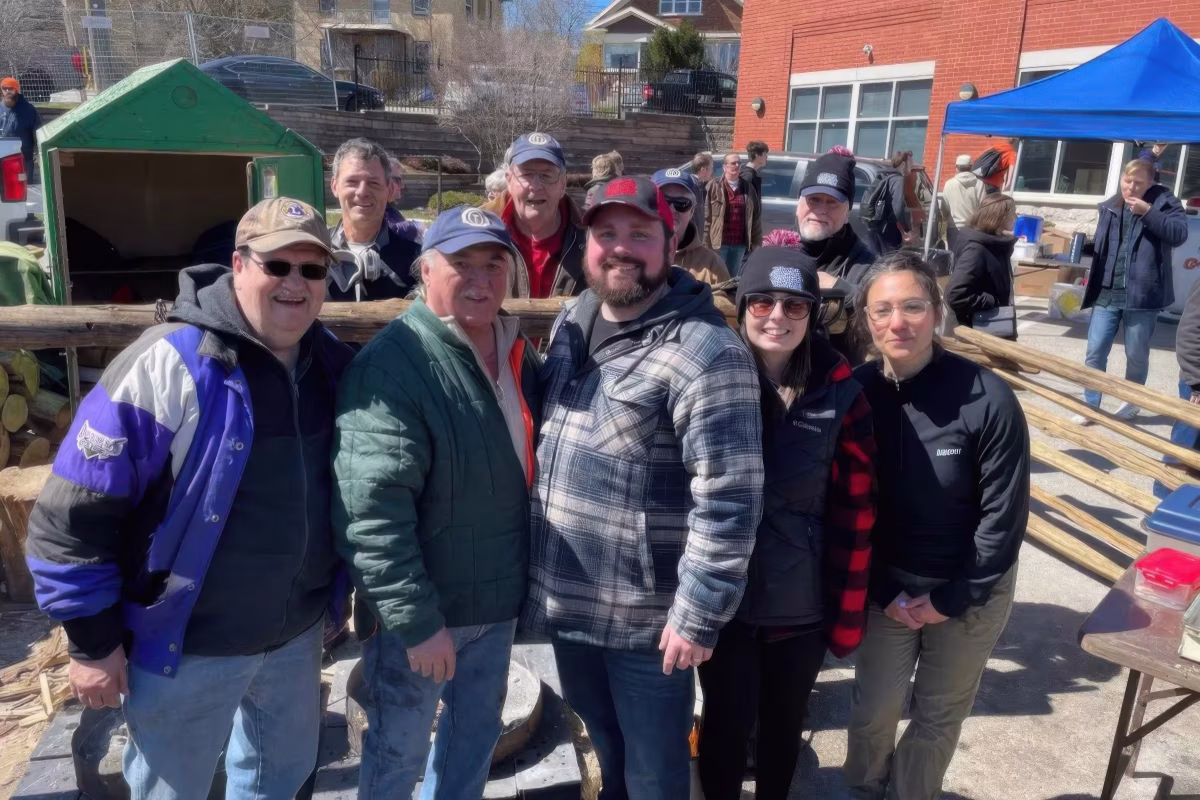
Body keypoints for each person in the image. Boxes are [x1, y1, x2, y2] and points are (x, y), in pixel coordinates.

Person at [25, 198, 354, 798]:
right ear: (237, 264)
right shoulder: (170, 363)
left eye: (312, 270)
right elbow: (69, 518)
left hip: (296, 639)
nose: (295, 284)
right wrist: (93, 644)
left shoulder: (331, 365)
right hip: (187, 648)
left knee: (279, 784)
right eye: (277, 264)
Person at [523, 175, 765, 800]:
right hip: (567, 604)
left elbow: (731, 500)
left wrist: (699, 614)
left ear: (671, 239)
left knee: (655, 774)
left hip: (648, 625)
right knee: (604, 747)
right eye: (607, 233)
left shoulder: (708, 352)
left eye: (640, 233)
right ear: (586, 244)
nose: (621, 248)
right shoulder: (575, 320)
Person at [333, 206, 540, 799]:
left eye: (493, 264)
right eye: (460, 264)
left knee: (470, 746)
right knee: (398, 751)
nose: (479, 280)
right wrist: (418, 622)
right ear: (425, 270)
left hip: (494, 602)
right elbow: (371, 513)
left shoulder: (515, 351)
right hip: (426, 616)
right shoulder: (394, 365)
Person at [844, 250, 1030, 800]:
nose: (898, 322)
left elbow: (1004, 516)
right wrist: (885, 590)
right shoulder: (856, 393)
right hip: (887, 585)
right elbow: (841, 505)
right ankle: (861, 788)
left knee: (937, 715)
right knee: (874, 707)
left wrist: (952, 598)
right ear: (866, 320)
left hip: (969, 587)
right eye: (882, 310)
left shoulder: (986, 397)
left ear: (937, 311)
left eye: (913, 306)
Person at [696, 247, 876, 800]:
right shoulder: (708, 379)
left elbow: (857, 509)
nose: (778, 316)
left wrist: (845, 613)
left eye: (795, 305)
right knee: (724, 725)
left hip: (801, 602)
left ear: (812, 313)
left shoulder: (840, 391)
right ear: (744, 305)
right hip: (723, 596)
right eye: (764, 302)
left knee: (783, 725)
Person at [1074, 158, 1188, 424]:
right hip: (1107, 291)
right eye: (1128, 181)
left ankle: (1132, 401)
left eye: (1139, 183)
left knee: (1136, 354)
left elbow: (1179, 235)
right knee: (1095, 350)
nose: (1131, 188)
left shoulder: (1165, 203)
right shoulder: (1112, 204)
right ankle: (1091, 405)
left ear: (1151, 184)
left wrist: (1149, 212)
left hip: (1143, 294)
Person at [793, 153, 877, 363]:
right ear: (799, 205)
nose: (821, 210)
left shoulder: (866, 264)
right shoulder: (775, 251)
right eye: (814, 200)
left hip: (837, 382)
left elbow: (884, 311)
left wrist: (842, 290)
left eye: (832, 203)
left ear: (847, 213)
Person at [483, 132, 586, 297]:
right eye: (526, 175)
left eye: (546, 175)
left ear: (562, 185)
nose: (536, 186)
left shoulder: (590, 232)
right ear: (509, 180)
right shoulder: (479, 228)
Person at [327, 138, 421, 301]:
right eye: (352, 182)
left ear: (389, 189)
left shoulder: (417, 260)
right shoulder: (313, 254)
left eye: (373, 183)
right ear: (335, 186)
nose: (362, 192)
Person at [944, 193, 1017, 331]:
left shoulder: (992, 243)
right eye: (1013, 213)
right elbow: (956, 293)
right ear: (1000, 218)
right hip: (973, 332)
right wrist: (992, 301)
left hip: (990, 327)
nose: (1015, 218)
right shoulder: (976, 249)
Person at [1156, 279, 1200, 498]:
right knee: (1183, 450)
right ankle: (1159, 508)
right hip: (1197, 384)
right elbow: (1190, 332)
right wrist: (1197, 384)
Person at [653, 167, 729, 286]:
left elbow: (725, 301)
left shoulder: (711, 264)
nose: (672, 209)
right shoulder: (632, 253)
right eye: (663, 202)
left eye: (682, 203)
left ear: (692, 211)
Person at [707, 152, 761, 277]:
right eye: (733, 163)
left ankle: (730, 297)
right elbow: (706, 216)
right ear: (724, 167)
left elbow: (756, 217)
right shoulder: (714, 186)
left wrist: (756, 243)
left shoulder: (748, 188)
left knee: (732, 279)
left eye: (738, 163)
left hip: (739, 244)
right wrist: (705, 244)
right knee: (716, 277)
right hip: (719, 243)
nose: (737, 165)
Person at [863, 150, 914, 256]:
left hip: (876, 225)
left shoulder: (883, 175)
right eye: (910, 163)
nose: (911, 166)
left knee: (877, 260)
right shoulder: (898, 180)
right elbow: (898, 208)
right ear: (904, 164)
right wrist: (906, 228)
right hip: (889, 229)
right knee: (890, 262)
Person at [942, 154, 987, 250]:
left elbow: (944, 208)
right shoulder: (979, 184)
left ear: (957, 167)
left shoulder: (949, 184)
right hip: (973, 229)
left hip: (954, 228)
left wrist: (944, 218)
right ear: (971, 167)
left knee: (954, 257)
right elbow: (984, 207)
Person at [0, 77, 40, 183]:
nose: (7, 91)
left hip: (23, 157)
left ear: (17, 90)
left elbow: (38, 131)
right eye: (5, 88)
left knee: (25, 189)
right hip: (3, 156)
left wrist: (40, 152)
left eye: (11, 88)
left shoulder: (29, 110)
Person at [385, 156, 426, 246]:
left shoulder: (390, 210)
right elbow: (385, 232)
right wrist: (414, 227)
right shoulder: (371, 208)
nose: (402, 186)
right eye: (398, 180)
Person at [691, 151, 714, 238]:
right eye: (711, 168)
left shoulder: (698, 185)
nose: (712, 172)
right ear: (703, 170)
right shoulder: (693, 186)